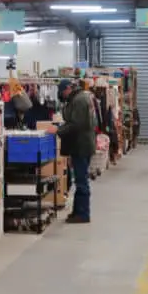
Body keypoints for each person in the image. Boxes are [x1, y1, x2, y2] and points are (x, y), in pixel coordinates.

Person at [47, 79, 96, 224]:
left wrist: (58, 130)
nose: (62, 95)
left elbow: (77, 125)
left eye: (63, 92)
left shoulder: (80, 100)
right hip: (79, 145)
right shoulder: (77, 98)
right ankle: (78, 211)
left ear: (68, 88)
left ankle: (83, 214)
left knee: (81, 181)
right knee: (80, 180)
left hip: (81, 146)